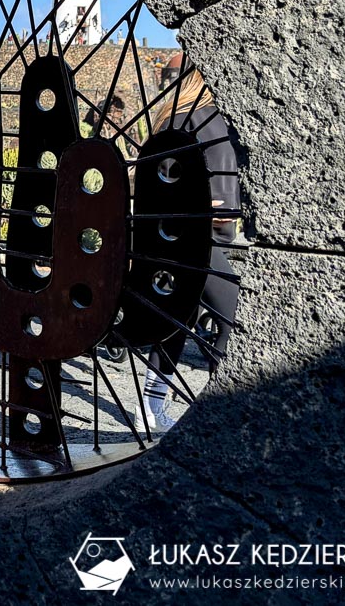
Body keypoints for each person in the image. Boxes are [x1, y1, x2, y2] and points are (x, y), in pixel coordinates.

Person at [139, 56, 240, 433]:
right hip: (202, 232)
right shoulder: (208, 115)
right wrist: (218, 208)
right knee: (232, 313)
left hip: (171, 233)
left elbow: (156, 177)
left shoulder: (172, 116)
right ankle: (225, 407)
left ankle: (150, 408)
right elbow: (222, 169)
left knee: (178, 319)